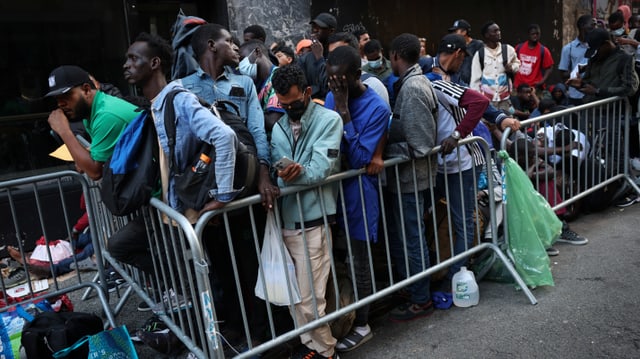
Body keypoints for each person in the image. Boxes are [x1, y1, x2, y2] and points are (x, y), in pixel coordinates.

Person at [270, 64, 343, 359]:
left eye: (295, 103)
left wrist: (292, 174)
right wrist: (288, 174)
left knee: (310, 300)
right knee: (294, 299)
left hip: (314, 222)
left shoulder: (330, 120)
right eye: (284, 105)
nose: (291, 109)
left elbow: (320, 169)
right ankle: (311, 347)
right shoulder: (278, 126)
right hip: (286, 221)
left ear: (308, 93)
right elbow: (278, 171)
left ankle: (326, 351)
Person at [324, 46, 390, 352]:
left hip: (358, 195)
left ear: (356, 76)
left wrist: (343, 111)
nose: (335, 87)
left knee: (360, 261)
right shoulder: (330, 97)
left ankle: (363, 325)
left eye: (341, 82)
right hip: (331, 193)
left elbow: (361, 158)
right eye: (331, 81)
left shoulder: (376, 107)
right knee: (337, 258)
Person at [181, 23, 276, 208]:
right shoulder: (183, 87)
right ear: (212, 45)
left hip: (243, 175)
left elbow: (257, 130)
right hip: (204, 180)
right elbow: (183, 144)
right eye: (229, 41)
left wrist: (263, 175)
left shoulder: (245, 83)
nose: (236, 48)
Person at [384, 33, 438, 322]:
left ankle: (420, 298)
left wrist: (383, 150)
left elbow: (421, 145)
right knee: (409, 237)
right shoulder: (412, 83)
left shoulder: (414, 87)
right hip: (407, 179)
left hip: (412, 179)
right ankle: (414, 289)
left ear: (395, 55)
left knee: (412, 239)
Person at [45, 65, 138, 180]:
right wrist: (83, 159)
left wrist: (64, 131)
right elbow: (94, 158)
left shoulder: (106, 115)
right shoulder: (93, 110)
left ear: (86, 90)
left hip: (150, 190)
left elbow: (94, 172)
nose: (60, 104)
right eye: (57, 99)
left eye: (66, 96)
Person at [566, 28, 639, 103]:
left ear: (607, 44)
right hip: (590, 109)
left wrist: (598, 91)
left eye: (597, 50)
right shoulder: (593, 59)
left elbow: (629, 88)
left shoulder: (624, 59)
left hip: (611, 111)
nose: (595, 54)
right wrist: (581, 84)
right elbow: (589, 82)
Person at [470, 21, 520, 112]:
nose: (498, 33)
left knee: (506, 124)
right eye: (495, 31)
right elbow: (475, 81)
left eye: (499, 30)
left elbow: (517, 63)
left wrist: (512, 68)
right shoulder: (480, 54)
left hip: (504, 99)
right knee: (489, 124)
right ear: (487, 35)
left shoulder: (508, 50)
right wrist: (478, 100)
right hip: (487, 99)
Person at [240, 40, 285, 135]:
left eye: (242, 59)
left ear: (257, 52)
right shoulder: (257, 85)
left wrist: (247, 112)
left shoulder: (280, 77)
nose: (240, 66)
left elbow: (274, 122)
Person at [298, 12, 337, 100]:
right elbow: (301, 88)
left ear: (331, 31)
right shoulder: (305, 59)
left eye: (320, 27)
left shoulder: (336, 55)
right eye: (314, 27)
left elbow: (330, 87)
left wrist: (319, 58)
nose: (315, 30)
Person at [558, 15, 595, 106]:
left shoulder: (597, 47)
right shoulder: (568, 49)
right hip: (576, 96)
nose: (594, 28)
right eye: (592, 25)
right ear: (582, 26)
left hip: (594, 95)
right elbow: (563, 73)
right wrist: (578, 72)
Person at [513, 24, 554, 92]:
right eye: (533, 34)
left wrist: (542, 81)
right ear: (528, 35)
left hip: (535, 88)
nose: (535, 36)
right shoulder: (519, 48)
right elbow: (512, 63)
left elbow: (549, 67)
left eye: (537, 34)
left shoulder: (543, 50)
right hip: (518, 87)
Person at [448, 19, 484, 85]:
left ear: (464, 32)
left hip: (474, 85)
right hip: (458, 85)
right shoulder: (454, 46)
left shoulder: (478, 45)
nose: (453, 34)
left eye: (455, 31)